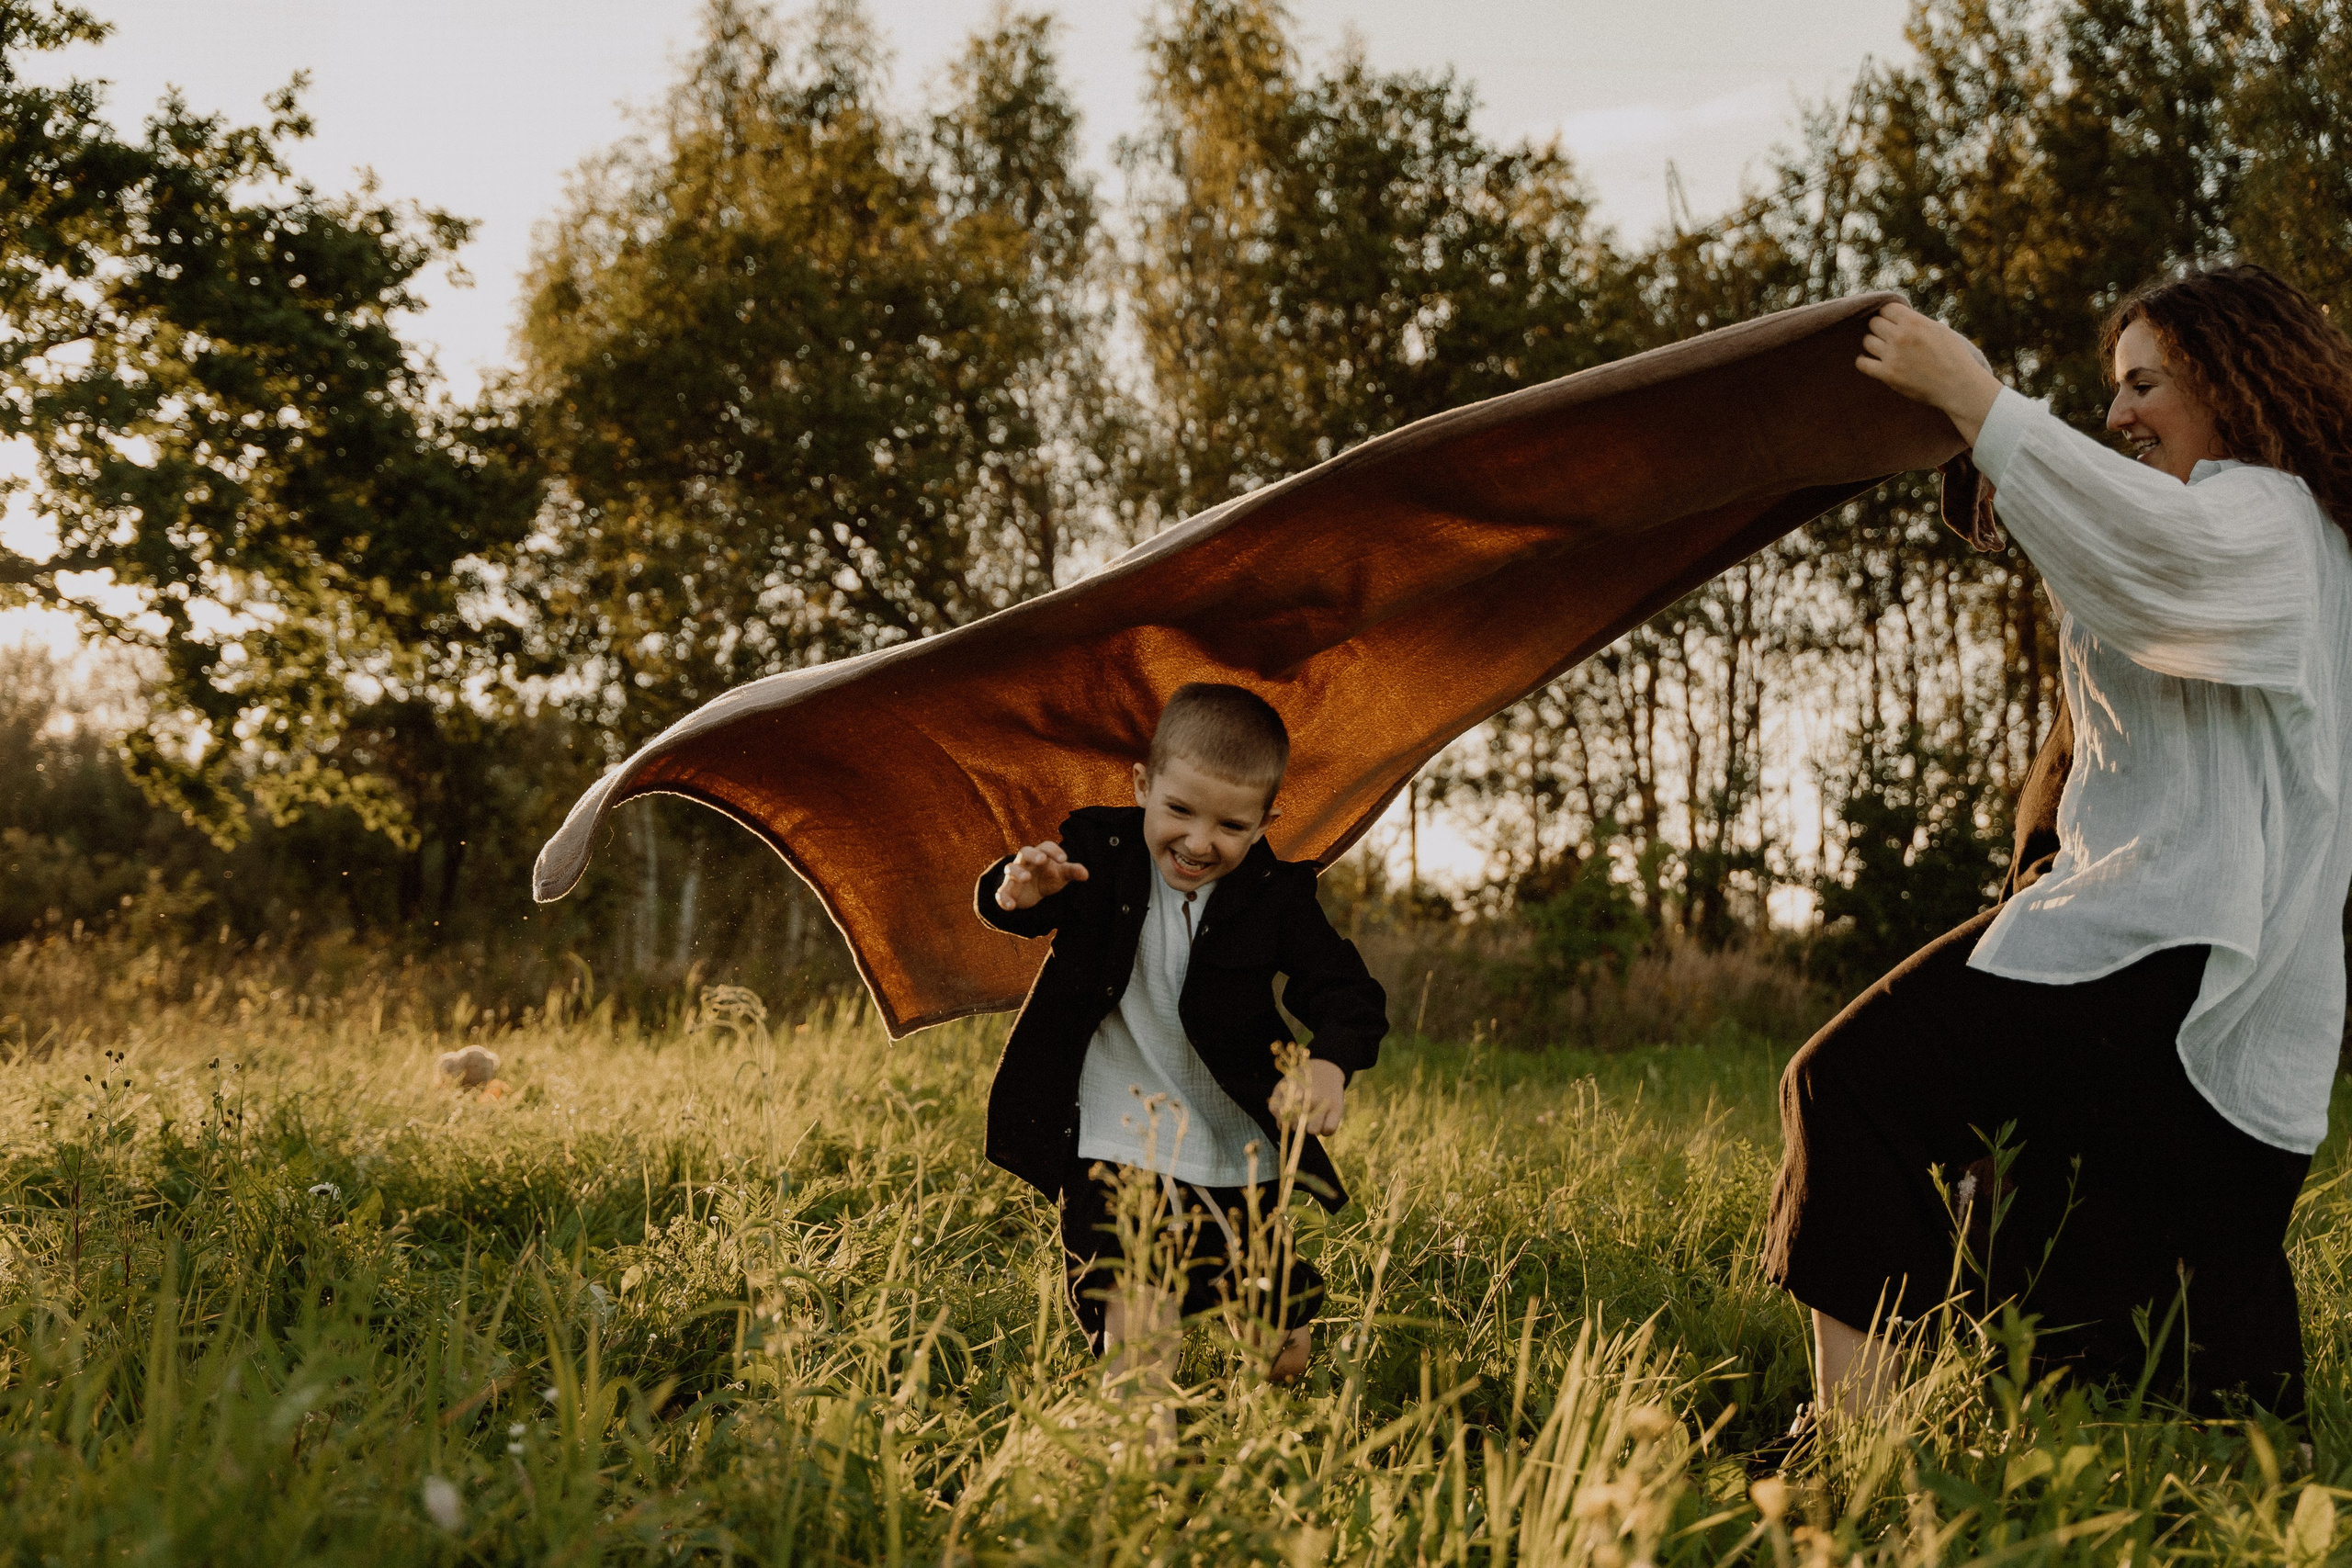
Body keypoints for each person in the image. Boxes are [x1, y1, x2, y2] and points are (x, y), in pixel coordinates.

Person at [1767, 264, 2352, 1422]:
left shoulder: (2269, 518)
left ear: (2230, 382)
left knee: (1848, 1084)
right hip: (2181, 946)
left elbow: (2159, 562)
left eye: (2145, 384)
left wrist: (1978, 398)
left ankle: (1851, 1448)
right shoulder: (2280, 530)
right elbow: (2132, 550)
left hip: (2157, 933)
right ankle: (2198, 1456)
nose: (2118, 412)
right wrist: (2008, 471)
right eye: (2114, 388)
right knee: (2083, 1250)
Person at [975, 682, 1389, 1401]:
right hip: (1114, 1138)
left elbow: (1346, 990)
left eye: (1230, 824)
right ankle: (1143, 1458)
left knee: (1281, 1354)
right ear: (1144, 786)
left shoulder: (1274, 894)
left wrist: (1328, 1063)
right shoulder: (1099, 851)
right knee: (1136, 1324)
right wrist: (1018, 892)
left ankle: (1268, 1370)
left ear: (1265, 822)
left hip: (1233, 1149)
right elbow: (1028, 901)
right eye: (1179, 810)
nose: (1199, 841)